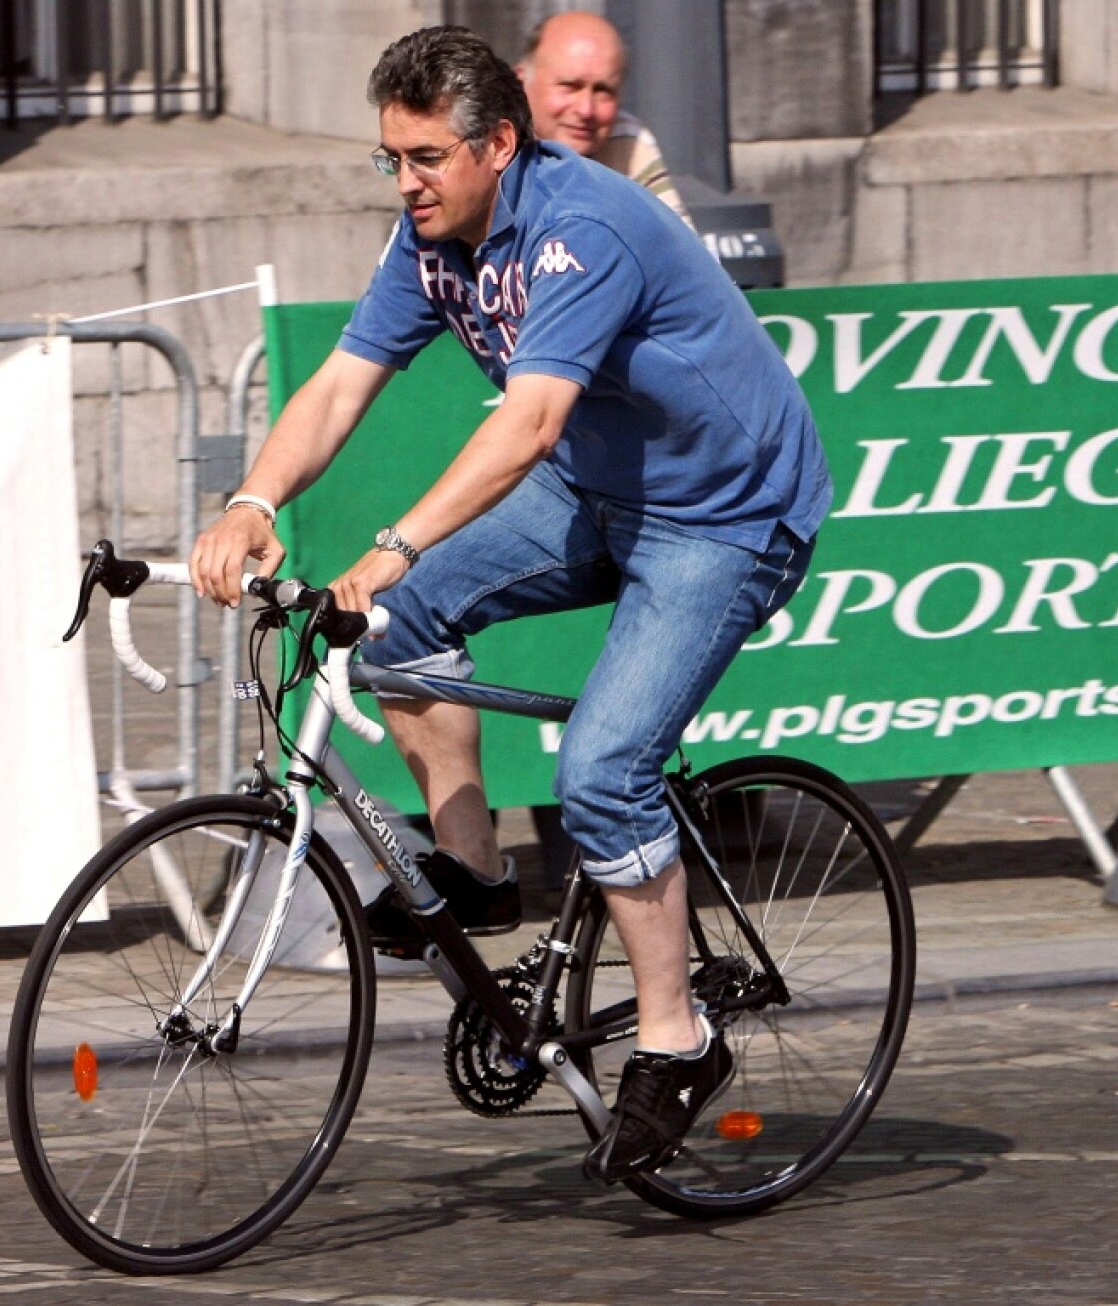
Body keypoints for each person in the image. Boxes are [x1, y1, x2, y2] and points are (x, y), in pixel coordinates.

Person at [190, 25, 831, 1183]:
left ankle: (677, 1043)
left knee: (600, 772)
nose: (406, 181)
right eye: (390, 158)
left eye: (426, 157)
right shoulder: (431, 236)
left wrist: (392, 542)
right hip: (604, 489)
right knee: (396, 629)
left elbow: (527, 422)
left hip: (729, 515)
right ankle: (479, 875)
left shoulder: (580, 230)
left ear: (498, 143)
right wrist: (251, 498)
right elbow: (340, 383)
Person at [516, 10, 693, 227]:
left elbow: (683, 251)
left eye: (603, 91)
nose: (586, 110)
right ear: (521, 81)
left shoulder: (627, 143)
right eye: (570, 86)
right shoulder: (483, 141)